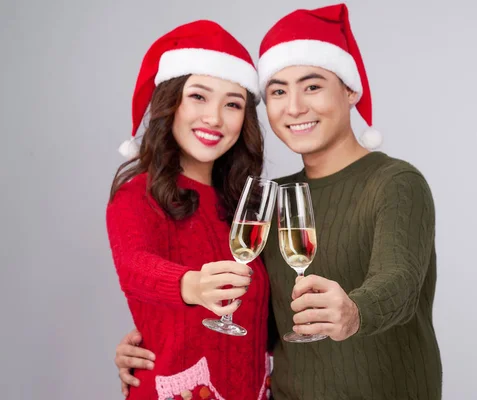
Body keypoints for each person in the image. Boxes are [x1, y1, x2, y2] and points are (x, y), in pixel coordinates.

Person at [114, 4, 442, 399]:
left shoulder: (395, 182)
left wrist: (355, 312)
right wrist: (157, 342)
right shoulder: (267, 199)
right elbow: (261, 319)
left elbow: (400, 283)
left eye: (313, 86)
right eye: (278, 91)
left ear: (351, 89)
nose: (294, 107)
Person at [106, 19, 271, 400]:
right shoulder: (136, 195)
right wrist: (190, 285)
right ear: (171, 102)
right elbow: (134, 266)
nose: (214, 118)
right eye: (199, 96)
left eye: (233, 104)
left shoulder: (249, 206)